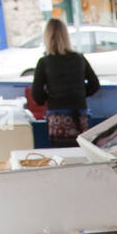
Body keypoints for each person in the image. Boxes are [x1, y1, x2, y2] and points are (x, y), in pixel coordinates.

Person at [31, 18, 100, 147]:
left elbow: (37, 96)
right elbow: (95, 85)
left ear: (47, 37)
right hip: (79, 116)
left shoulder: (45, 62)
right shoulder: (79, 59)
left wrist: (52, 94)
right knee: (81, 152)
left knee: (61, 156)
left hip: (57, 119)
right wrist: (78, 92)